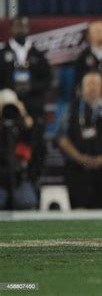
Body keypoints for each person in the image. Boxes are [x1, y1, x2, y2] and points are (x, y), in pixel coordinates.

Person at [57, 71, 102, 208]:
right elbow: (61, 137)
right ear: (81, 87)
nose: (92, 87)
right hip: (78, 164)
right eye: (88, 84)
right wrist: (80, 158)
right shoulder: (71, 108)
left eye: (95, 84)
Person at [0, 15, 52, 182]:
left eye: (24, 26)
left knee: (36, 147)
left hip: (33, 109)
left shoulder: (37, 54)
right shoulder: (3, 53)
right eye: (17, 26)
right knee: (7, 146)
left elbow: (48, 79)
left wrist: (31, 88)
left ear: (29, 29)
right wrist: (12, 90)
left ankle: (31, 183)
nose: (21, 29)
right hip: (8, 110)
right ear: (11, 28)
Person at [0, 89, 37, 210]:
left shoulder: (21, 126)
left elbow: (32, 138)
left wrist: (22, 112)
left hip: (19, 178)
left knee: (28, 201)